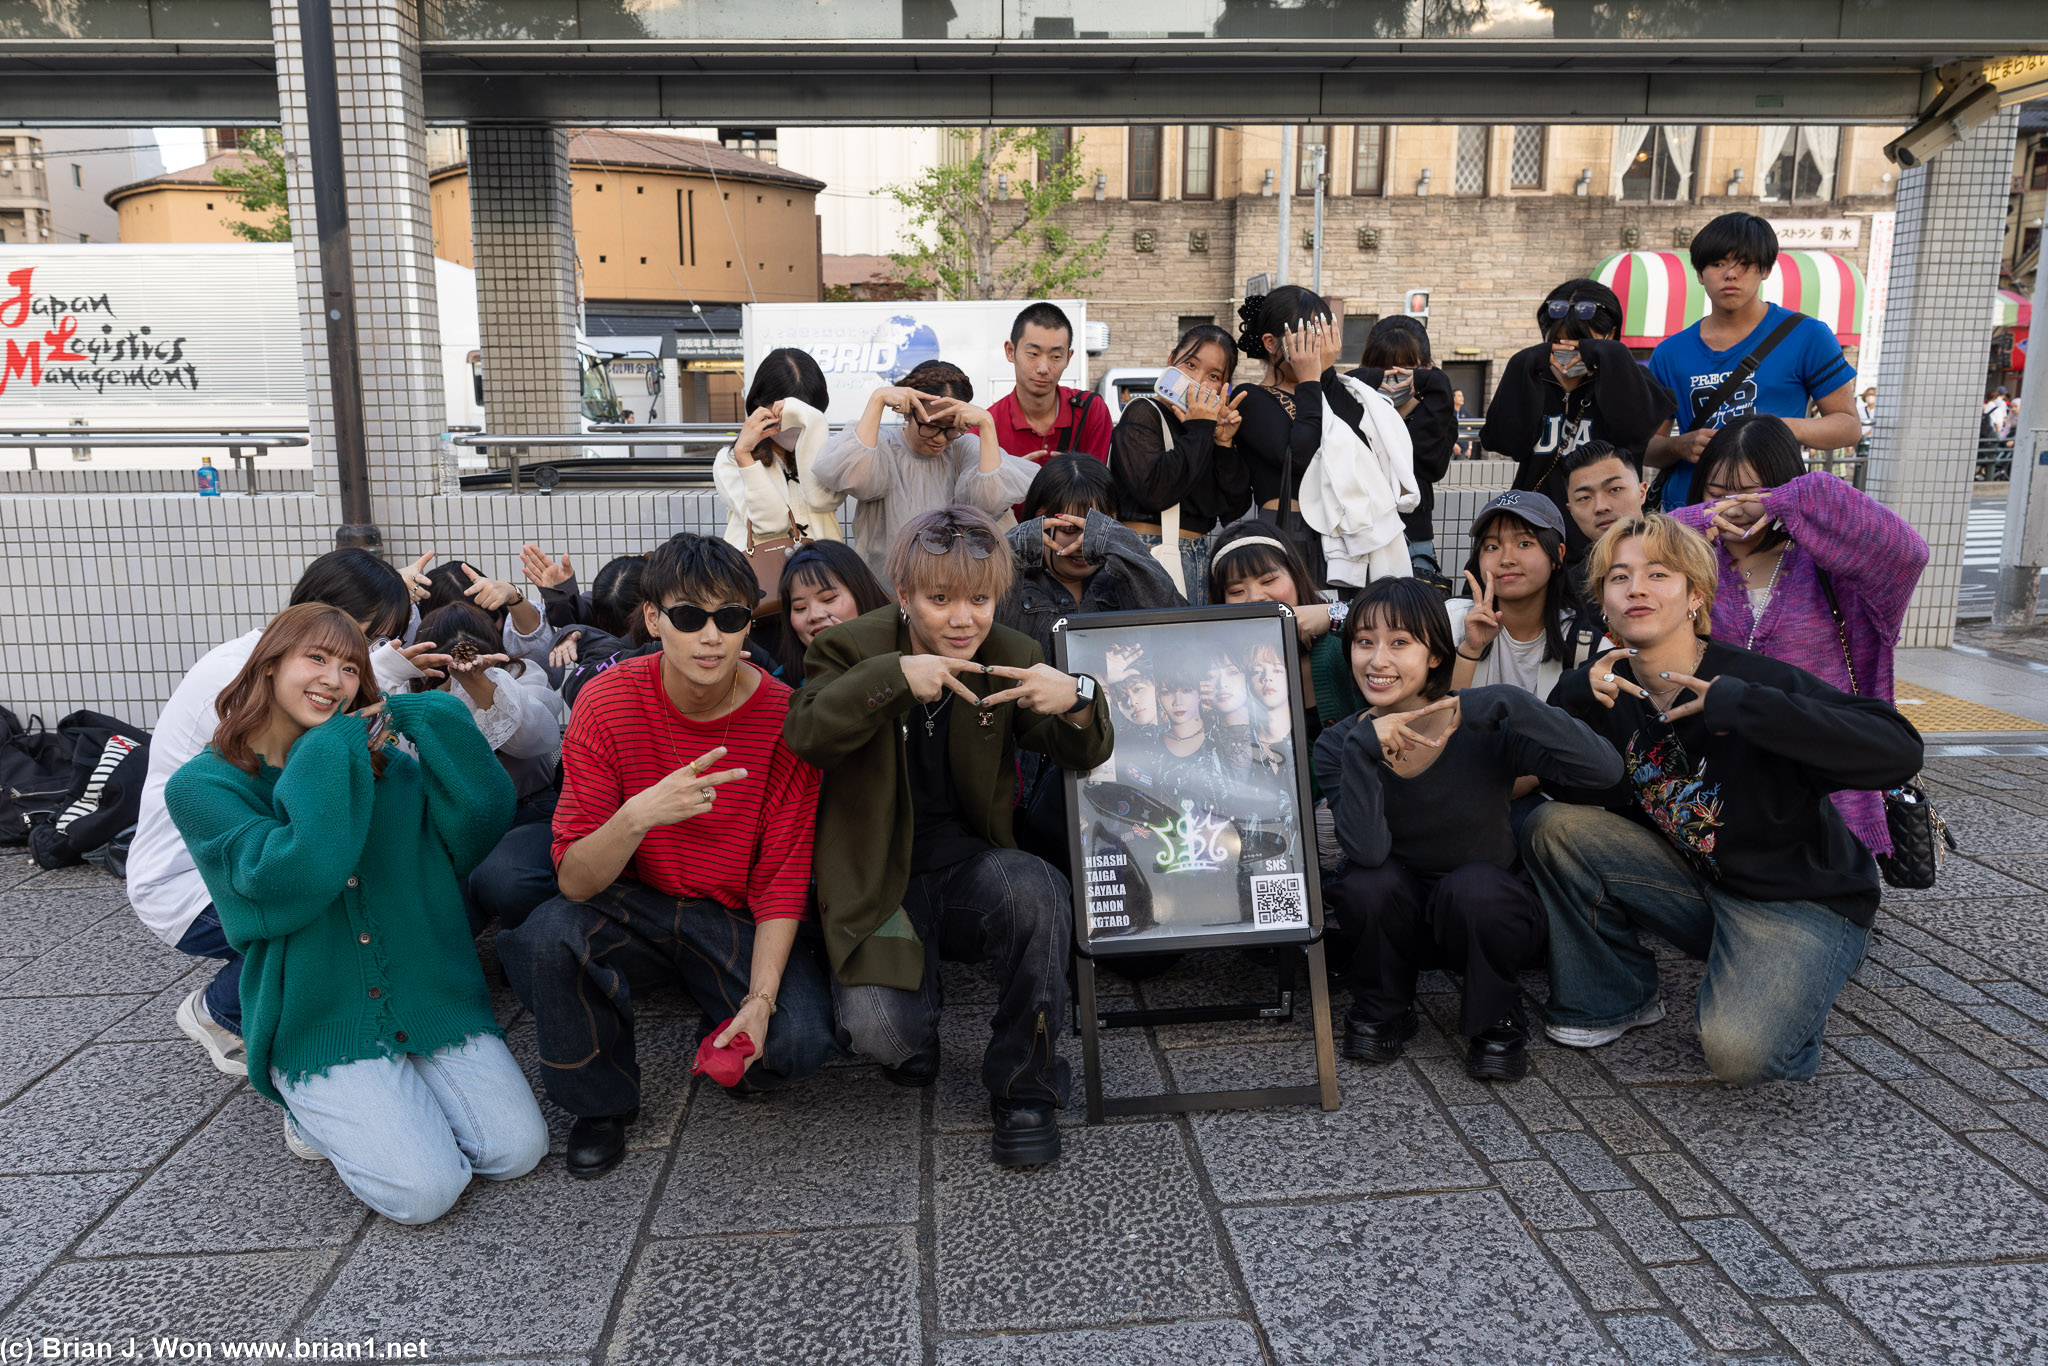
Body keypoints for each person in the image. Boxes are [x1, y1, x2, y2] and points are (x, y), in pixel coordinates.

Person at [165, 603, 544, 1222]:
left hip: (424, 991)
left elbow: (472, 830)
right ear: (268, 666)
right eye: (315, 658)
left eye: (350, 668)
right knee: (425, 1193)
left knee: (515, 1151)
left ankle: (379, 1096)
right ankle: (311, 1099)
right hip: (318, 1010)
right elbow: (289, 877)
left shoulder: (385, 766)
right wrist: (324, 752)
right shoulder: (204, 788)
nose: (334, 680)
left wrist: (441, 717)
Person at [1524, 514, 1923, 1084]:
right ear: (1604, 607)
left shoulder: (1753, 681)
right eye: (1619, 577)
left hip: (1799, 901)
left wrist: (1744, 709)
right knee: (1554, 826)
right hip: (1700, 882)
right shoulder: (1607, 690)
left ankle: (1823, 961)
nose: (1636, 588)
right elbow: (1563, 787)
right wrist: (1567, 698)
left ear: (1695, 597)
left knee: (1740, 1057)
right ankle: (1617, 994)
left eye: (1658, 574)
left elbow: (1899, 749)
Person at [497, 534, 837, 1180]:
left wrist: (762, 999)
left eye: (730, 618)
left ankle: (722, 1002)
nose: (711, 636)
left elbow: (784, 875)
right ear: (654, 619)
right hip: (638, 902)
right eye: (689, 617)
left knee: (797, 1043)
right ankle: (599, 1104)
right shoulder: (606, 701)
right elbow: (573, 879)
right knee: (550, 935)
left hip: (730, 911)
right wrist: (637, 816)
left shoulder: (783, 717)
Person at [783, 506, 1113, 1168]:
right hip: (878, 881)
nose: (962, 619)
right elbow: (808, 735)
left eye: (980, 599)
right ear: (903, 597)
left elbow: (1086, 749)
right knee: (885, 1037)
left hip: (969, 868)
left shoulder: (1011, 655)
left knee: (1038, 892)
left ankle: (1027, 1091)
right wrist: (893, 681)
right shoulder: (848, 648)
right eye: (940, 599)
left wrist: (1077, 696)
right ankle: (916, 1020)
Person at [130, 548, 446, 1079]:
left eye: (367, 648)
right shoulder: (241, 675)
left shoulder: (286, 663)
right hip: (195, 876)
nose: (366, 656)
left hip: (257, 850)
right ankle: (229, 1014)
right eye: (368, 637)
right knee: (332, 921)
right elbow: (298, 790)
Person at [1315, 579, 1621, 1080]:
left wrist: (1509, 702)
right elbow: (1368, 852)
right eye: (1364, 642)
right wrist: (1364, 749)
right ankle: (1383, 1010)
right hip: (1401, 924)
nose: (1377, 660)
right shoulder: (1340, 743)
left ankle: (1496, 1018)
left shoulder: (1484, 725)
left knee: (1475, 886)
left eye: (1399, 643)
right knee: (1366, 881)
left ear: (1435, 655)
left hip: (1489, 916)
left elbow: (1604, 773)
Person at [1671, 414, 1928, 855]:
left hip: (1824, 774)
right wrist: (1691, 524)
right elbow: (1629, 563)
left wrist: (1796, 498)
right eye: (1717, 494)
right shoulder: (1688, 562)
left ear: (1788, 487)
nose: (1733, 507)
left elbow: (1908, 553)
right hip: (1717, 777)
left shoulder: (1830, 565)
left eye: (1753, 493)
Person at [1645, 213, 1861, 508]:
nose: (1730, 275)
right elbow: (1646, 448)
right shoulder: (1669, 352)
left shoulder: (1807, 335)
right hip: (1689, 518)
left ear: (1766, 269)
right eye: (1717, 264)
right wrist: (1678, 445)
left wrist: (1780, 428)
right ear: (1699, 273)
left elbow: (1848, 426)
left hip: (1773, 513)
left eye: (1744, 264)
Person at [1234, 286, 1416, 586]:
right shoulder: (1251, 397)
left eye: (1321, 341)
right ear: (1271, 343)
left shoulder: (1324, 388)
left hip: (1346, 534)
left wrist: (1323, 376)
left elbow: (1359, 442)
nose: (1314, 353)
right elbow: (1299, 456)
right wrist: (1311, 381)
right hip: (1290, 533)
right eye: (1305, 341)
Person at [1480, 279, 1675, 557]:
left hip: (1608, 537)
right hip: (1537, 537)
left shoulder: (1632, 382)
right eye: (1557, 343)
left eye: (1582, 343)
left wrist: (1611, 357)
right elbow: (1503, 441)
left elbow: (1635, 432)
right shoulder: (1534, 380)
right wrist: (1522, 365)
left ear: (1610, 337)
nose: (1569, 352)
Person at [813, 359, 1040, 588]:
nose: (941, 438)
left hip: (957, 591)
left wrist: (987, 425)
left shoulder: (963, 448)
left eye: (952, 428)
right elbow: (856, 478)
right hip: (887, 592)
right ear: (909, 413)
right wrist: (878, 399)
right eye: (931, 426)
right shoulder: (883, 445)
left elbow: (990, 501)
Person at [412, 601, 567, 933]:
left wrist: (480, 684)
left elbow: (535, 738)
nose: (459, 666)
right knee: (436, 909)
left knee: (506, 876)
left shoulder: (521, 675)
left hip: (530, 812)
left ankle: (532, 945)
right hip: (452, 826)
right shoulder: (413, 689)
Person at [1109, 323, 1249, 603]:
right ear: (1171, 359)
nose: (1198, 381)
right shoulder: (1143, 412)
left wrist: (1223, 444)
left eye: (1212, 375)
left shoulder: (1207, 429)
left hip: (1197, 556)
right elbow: (1157, 491)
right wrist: (1199, 430)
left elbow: (1234, 508)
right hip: (1149, 552)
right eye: (1190, 365)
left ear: (1224, 386)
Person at [999, 454, 1184, 661]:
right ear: (1037, 521)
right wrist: (1014, 545)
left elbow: (1180, 631)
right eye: (1069, 528)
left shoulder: (1127, 577)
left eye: (1095, 529)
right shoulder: (1014, 581)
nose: (1081, 543)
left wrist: (1125, 547)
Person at [1448, 491, 1602, 701]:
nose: (1507, 559)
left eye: (1524, 544)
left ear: (1558, 554)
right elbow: (1434, 720)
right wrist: (1469, 651)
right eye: (1492, 546)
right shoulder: (1451, 623)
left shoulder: (1586, 644)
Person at [1209, 522, 1350, 736]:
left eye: (1269, 580)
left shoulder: (1339, 642)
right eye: (1237, 590)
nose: (1255, 597)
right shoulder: (1218, 669)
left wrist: (1337, 613)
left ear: (1295, 575)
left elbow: (1409, 616)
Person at [1352, 315, 1458, 585]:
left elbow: (1430, 465)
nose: (1393, 374)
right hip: (1362, 534)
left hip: (1415, 535)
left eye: (1406, 366)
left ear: (1423, 368)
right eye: (1381, 367)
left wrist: (1434, 390)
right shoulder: (1357, 408)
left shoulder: (1435, 409)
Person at [711, 347, 844, 549]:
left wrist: (814, 426)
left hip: (824, 573)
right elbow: (770, 524)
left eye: (807, 413)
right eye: (786, 414)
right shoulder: (729, 460)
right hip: (760, 575)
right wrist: (744, 456)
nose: (796, 424)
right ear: (760, 404)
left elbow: (822, 500)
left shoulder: (826, 451)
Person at [987, 301, 1112, 471]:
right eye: (1033, 354)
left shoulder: (1090, 411)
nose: (1043, 369)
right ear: (1010, 351)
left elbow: (1099, 488)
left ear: (1068, 357)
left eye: (1055, 356)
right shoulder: (987, 427)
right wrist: (1009, 481)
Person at [772, 541, 893, 683]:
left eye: (829, 598)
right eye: (800, 608)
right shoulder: (780, 686)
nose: (814, 615)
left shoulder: (907, 660)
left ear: (861, 593)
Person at [1560, 440, 1652, 621]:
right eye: (1584, 498)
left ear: (1642, 493)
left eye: (1615, 489)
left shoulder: (1683, 558)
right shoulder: (1567, 589)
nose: (1601, 507)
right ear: (1571, 511)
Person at [422, 558, 557, 666]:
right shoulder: (421, 655)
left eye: (489, 618)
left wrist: (514, 596)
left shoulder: (512, 626)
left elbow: (541, 653)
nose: (483, 632)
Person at [1451, 388, 1476, 459]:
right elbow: (1444, 429)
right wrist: (1453, 445)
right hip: (1450, 448)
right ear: (1453, 398)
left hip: (1463, 449)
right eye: (1459, 396)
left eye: (1462, 396)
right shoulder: (1448, 412)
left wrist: (1470, 448)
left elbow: (1469, 430)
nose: (1462, 398)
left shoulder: (1465, 413)